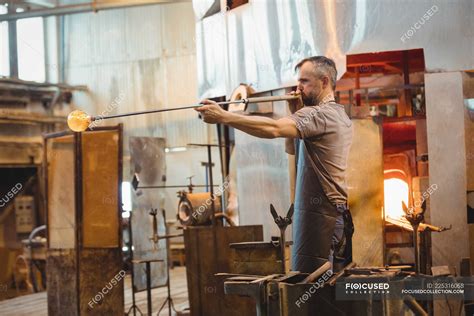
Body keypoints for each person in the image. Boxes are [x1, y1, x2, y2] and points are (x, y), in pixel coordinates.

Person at [195, 56, 354, 273]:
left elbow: (274, 129)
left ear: (325, 82)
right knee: (318, 289)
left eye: (305, 82)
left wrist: (224, 117)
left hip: (324, 219)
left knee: (317, 294)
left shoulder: (320, 115)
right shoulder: (338, 114)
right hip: (328, 216)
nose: (298, 87)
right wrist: (294, 112)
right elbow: (294, 152)